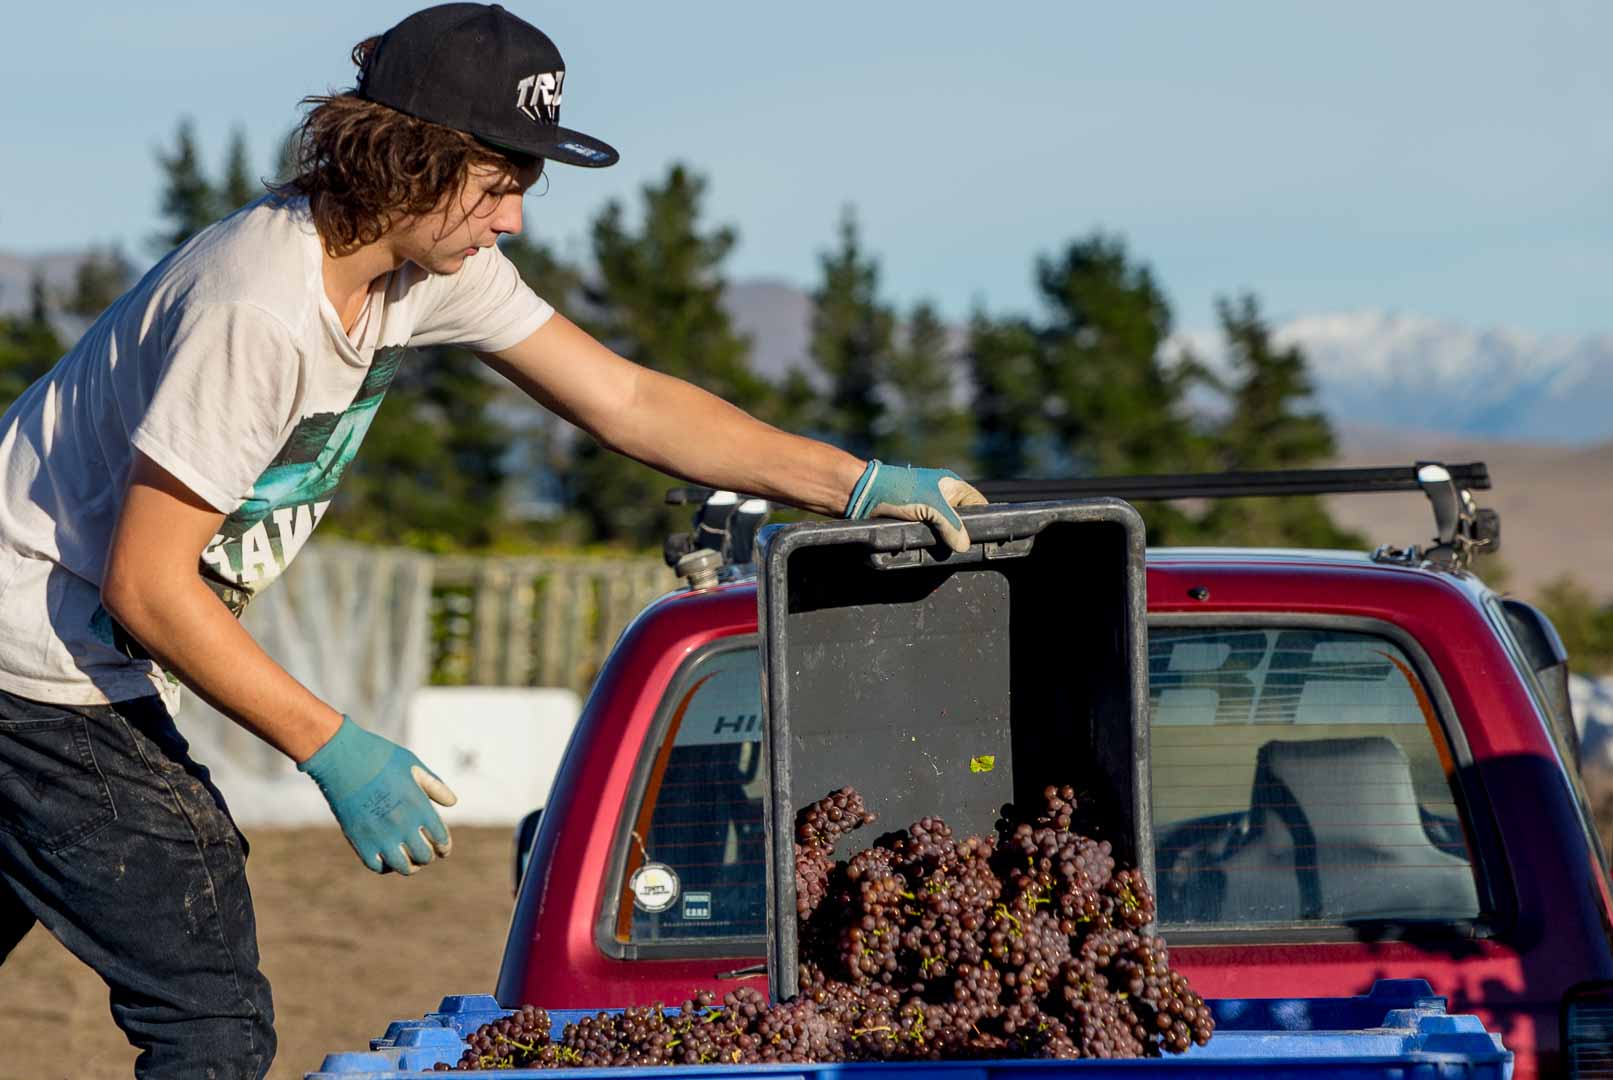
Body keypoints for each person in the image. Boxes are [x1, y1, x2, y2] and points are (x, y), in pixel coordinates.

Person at [0, 4, 985, 1076]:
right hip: (41, 666)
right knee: (210, 1016)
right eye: (500, 182)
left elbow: (626, 401)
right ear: (410, 161)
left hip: (44, 642)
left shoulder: (424, 270)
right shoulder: (260, 310)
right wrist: (332, 744)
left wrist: (851, 482)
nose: (514, 219)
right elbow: (146, 585)